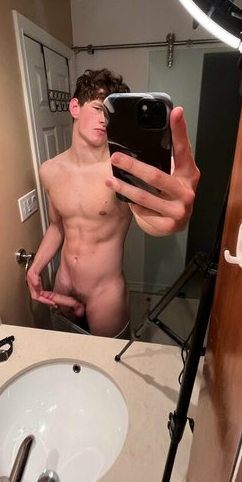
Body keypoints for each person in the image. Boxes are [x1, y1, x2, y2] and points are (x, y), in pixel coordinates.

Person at [26, 68, 200, 337]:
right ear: (75, 107)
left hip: (105, 294)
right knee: (66, 353)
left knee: (106, 360)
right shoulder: (49, 170)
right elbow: (56, 226)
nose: (103, 120)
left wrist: (172, 220)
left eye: (109, 114)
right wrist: (35, 269)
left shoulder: (123, 170)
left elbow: (150, 219)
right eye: (98, 108)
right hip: (63, 284)